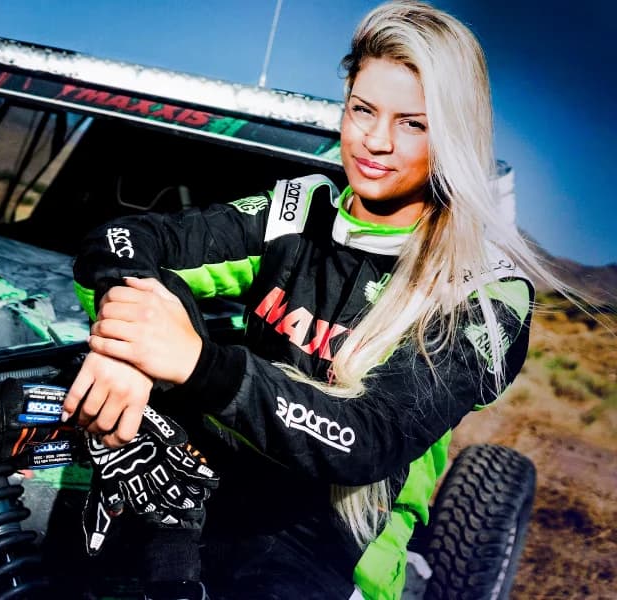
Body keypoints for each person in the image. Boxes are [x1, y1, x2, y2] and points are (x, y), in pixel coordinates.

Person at [61, 1, 562, 598]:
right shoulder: (297, 210)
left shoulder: (486, 289)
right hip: (214, 490)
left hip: (335, 547)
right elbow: (125, 240)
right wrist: (127, 346)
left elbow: (367, 441)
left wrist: (197, 363)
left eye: (413, 123)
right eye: (362, 110)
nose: (375, 141)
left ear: (454, 134)